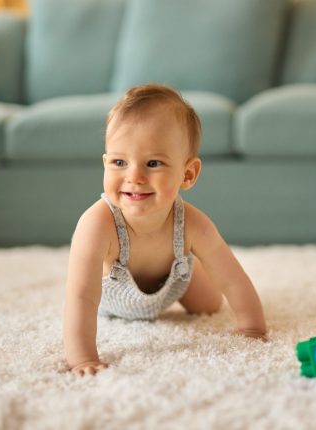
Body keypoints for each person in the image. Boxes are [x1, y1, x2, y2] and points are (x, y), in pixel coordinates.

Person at [63, 84, 267, 376]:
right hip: (112, 299)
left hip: (172, 284)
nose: (134, 176)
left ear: (187, 174)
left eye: (153, 163)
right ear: (105, 164)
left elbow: (233, 279)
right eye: (120, 162)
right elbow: (81, 297)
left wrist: (252, 328)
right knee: (84, 296)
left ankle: (188, 265)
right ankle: (186, 263)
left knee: (210, 306)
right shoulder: (97, 225)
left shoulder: (192, 223)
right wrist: (82, 359)